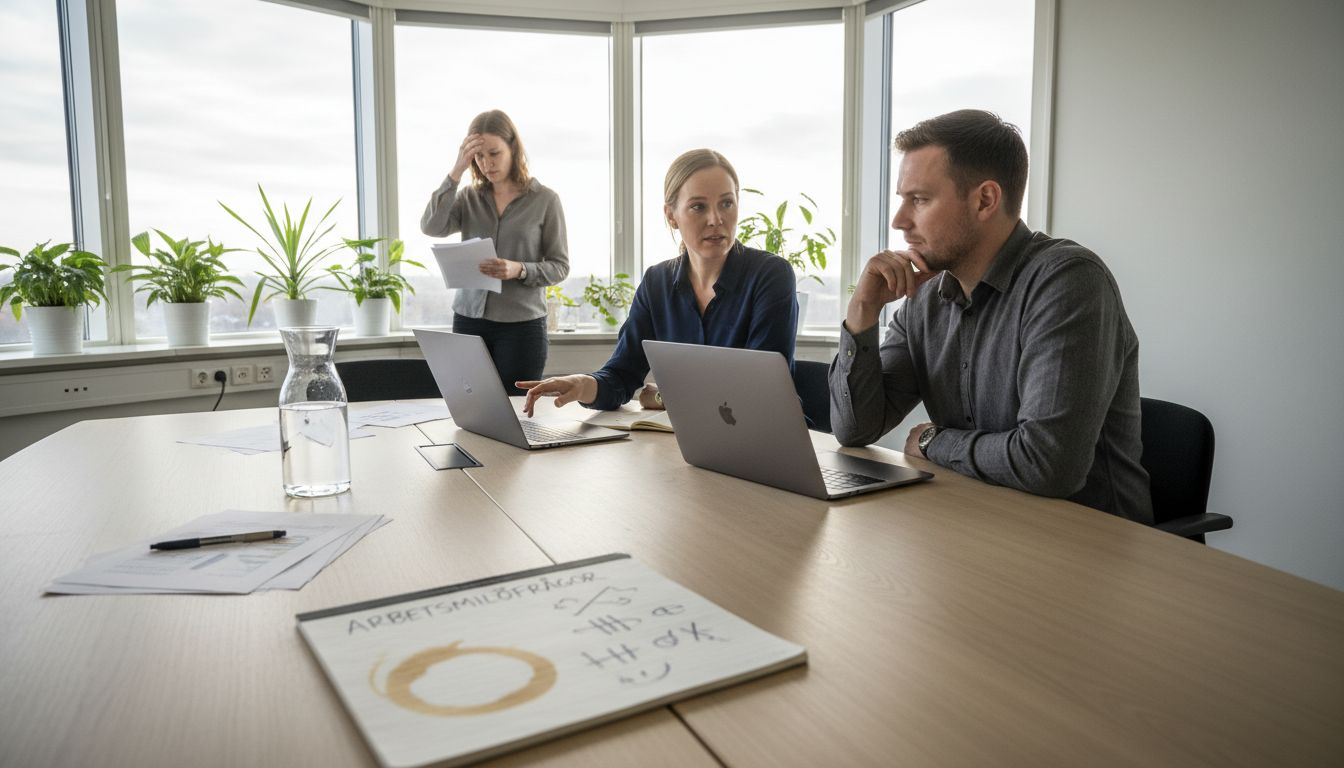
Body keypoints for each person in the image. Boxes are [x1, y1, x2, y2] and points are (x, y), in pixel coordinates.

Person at [831, 109, 1152, 523]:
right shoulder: (926, 297)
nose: (900, 221)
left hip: (1089, 543)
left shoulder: (1068, 281)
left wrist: (932, 441)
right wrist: (862, 311)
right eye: (902, 200)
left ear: (985, 200)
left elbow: (1048, 465)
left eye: (920, 199)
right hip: (979, 523)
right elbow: (855, 430)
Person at [519, 149, 797, 416]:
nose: (716, 219)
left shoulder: (771, 276)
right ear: (671, 216)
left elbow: (760, 389)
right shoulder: (657, 282)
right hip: (690, 441)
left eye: (726, 203)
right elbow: (622, 375)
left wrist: (664, 397)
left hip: (763, 440)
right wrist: (581, 384)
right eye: (698, 207)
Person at [421, 109, 569, 395]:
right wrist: (456, 171)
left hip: (522, 326)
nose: (487, 164)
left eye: (494, 153)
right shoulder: (468, 197)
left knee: (515, 410)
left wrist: (520, 269)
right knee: (471, 402)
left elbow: (560, 266)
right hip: (468, 321)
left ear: (513, 148)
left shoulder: (545, 200)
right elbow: (431, 226)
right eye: (478, 157)